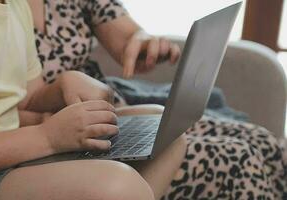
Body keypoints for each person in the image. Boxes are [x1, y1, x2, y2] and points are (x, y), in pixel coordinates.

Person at [26, 0, 287, 199]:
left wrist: (143, 43)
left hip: (113, 111)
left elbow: (127, 34)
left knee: (264, 142)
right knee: (239, 159)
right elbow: (15, 111)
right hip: (75, 132)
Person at [0, 0, 189, 199]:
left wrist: (65, 82)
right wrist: (46, 138)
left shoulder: (14, 6)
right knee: (118, 186)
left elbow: (27, 99)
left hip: (14, 157)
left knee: (162, 130)